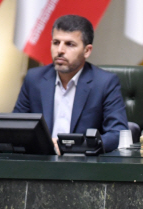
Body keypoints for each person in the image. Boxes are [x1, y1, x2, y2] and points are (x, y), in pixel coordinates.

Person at [13, 15, 128, 153]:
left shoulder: (104, 83)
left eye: (70, 44)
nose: (60, 50)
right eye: (56, 42)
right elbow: (16, 128)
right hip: (41, 163)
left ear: (87, 51)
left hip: (83, 166)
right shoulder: (34, 79)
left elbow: (117, 134)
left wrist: (75, 147)